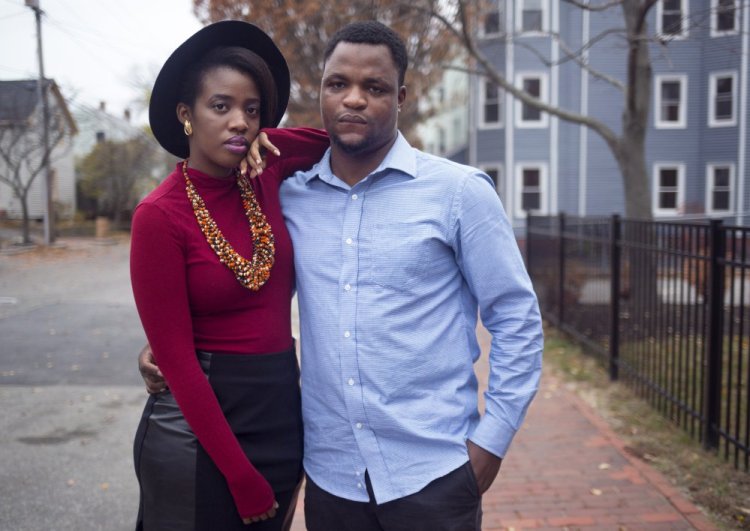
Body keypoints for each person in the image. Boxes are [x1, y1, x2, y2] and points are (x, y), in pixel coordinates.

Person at [142, 20, 543, 531]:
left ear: (401, 97)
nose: (353, 100)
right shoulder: (288, 194)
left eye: (374, 88)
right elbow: (209, 270)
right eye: (338, 85)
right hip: (331, 479)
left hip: (432, 476)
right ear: (322, 92)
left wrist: (492, 441)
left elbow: (516, 318)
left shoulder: (459, 193)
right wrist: (162, 345)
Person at [130, 20, 328, 530]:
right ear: (186, 116)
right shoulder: (159, 216)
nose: (239, 121)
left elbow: (339, 139)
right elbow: (175, 360)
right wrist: (239, 476)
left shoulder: (266, 177)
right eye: (221, 106)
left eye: (251, 109)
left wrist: (270, 138)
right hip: (196, 433)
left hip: (280, 413)